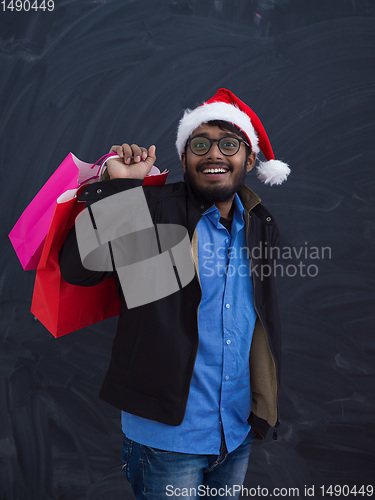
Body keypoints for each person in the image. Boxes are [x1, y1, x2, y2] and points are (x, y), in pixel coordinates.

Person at [59, 88, 290, 499]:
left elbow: (256, 322)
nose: (214, 154)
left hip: (234, 432)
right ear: (185, 159)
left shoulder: (259, 225)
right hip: (167, 438)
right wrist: (122, 187)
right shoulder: (152, 208)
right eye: (199, 144)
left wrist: (261, 402)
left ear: (249, 160)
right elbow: (80, 268)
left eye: (229, 144)